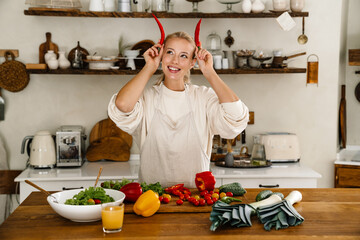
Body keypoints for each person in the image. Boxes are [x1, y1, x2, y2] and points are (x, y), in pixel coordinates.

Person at [108, 31, 249, 188]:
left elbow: (236, 117)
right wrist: (149, 67)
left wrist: (209, 71)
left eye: (183, 56)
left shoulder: (202, 97)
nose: (175, 61)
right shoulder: (147, 98)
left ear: (192, 62)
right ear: (161, 56)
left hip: (196, 200)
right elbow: (122, 105)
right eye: (170, 52)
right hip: (151, 201)